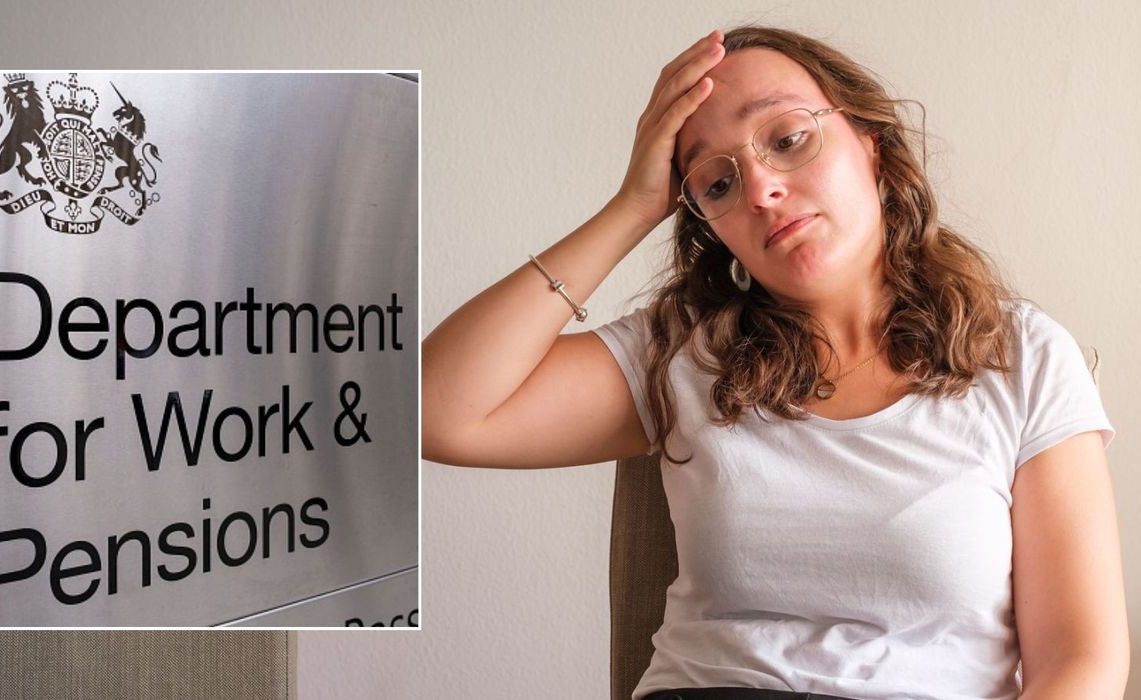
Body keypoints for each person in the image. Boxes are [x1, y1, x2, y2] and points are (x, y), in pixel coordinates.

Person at [422, 25, 1128, 700]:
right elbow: (434, 412)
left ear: (870, 143)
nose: (759, 189)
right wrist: (631, 208)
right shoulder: (684, 353)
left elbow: (1081, 657)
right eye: (717, 184)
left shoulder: (1019, 356)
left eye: (787, 140)